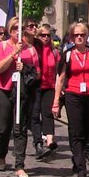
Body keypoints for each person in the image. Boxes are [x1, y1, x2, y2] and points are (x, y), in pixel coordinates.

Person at [52, 22, 89, 177]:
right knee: (76, 130)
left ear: (87, 36)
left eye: (82, 35)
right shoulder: (68, 55)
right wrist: (56, 102)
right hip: (73, 95)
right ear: (71, 37)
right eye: (76, 35)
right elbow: (60, 79)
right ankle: (81, 168)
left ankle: (78, 158)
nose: (79, 37)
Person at [0, 17, 41, 177]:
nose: (17, 32)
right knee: (4, 127)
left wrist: (24, 67)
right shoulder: (1, 46)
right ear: (9, 30)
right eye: (14, 28)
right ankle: (2, 156)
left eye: (20, 28)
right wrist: (14, 54)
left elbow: (37, 73)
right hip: (3, 89)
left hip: (21, 91)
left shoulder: (31, 49)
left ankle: (20, 165)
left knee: (20, 127)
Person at [31, 24, 59, 157]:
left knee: (48, 114)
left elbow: (58, 70)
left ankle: (50, 142)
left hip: (49, 86)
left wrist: (60, 86)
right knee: (35, 114)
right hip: (36, 86)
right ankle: (38, 142)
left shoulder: (54, 51)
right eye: (43, 35)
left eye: (48, 35)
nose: (46, 38)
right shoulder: (34, 49)